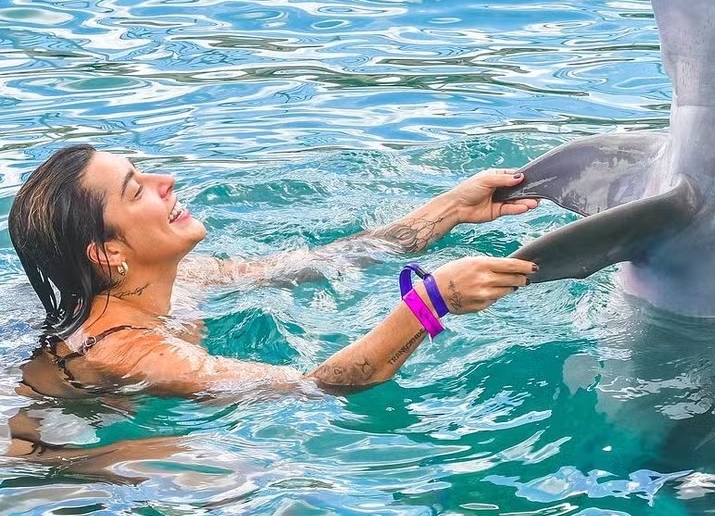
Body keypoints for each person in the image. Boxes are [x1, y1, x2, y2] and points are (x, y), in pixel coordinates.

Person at [7, 144, 539, 399]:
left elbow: (322, 262)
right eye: (136, 189)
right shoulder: (127, 349)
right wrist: (430, 303)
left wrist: (451, 208)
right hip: (53, 459)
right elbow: (319, 386)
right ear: (106, 253)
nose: (165, 179)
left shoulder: (184, 279)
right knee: (231, 484)